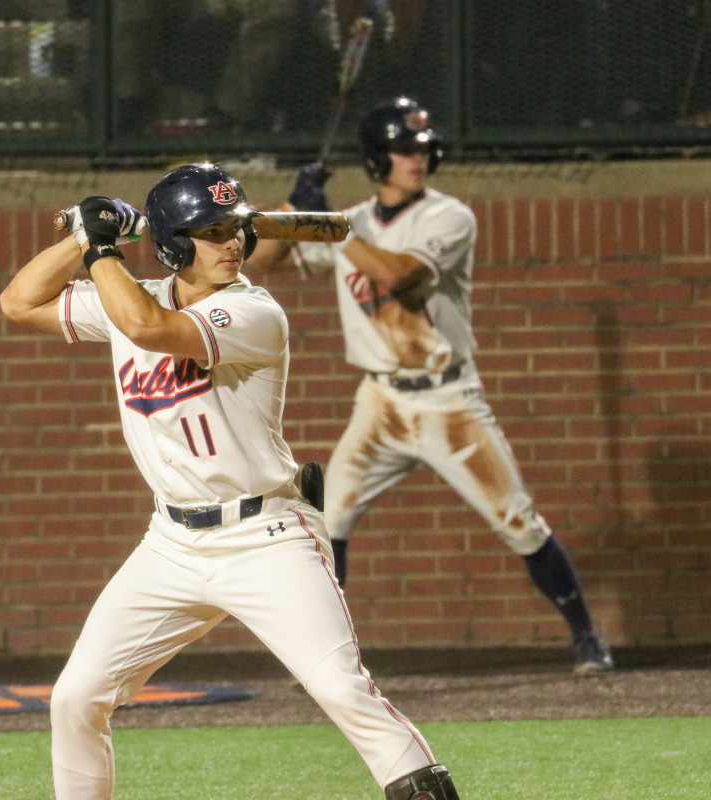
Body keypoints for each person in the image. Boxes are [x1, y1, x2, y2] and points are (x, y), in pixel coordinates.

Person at [0, 162, 462, 800]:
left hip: (267, 536)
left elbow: (145, 328)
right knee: (76, 697)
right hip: (171, 544)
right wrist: (83, 238)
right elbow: (19, 303)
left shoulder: (253, 311)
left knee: (342, 691)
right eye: (212, 232)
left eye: (236, 228)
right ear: (171, 245)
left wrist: (105, 244)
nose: (234, 244)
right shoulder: (132, 297)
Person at [247, 96, 615, 676]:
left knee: (517, 521)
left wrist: (334, 227)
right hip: (381, 400)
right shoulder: (357, 222)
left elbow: (401, 276)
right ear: (376, 160)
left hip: (448, 399)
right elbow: (261, 260)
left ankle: (586, 637)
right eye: (403, 149)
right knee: (329, 518)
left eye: (422, 148)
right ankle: (332, 659)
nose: (417, 158)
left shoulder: (448, 216)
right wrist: (295, 206)